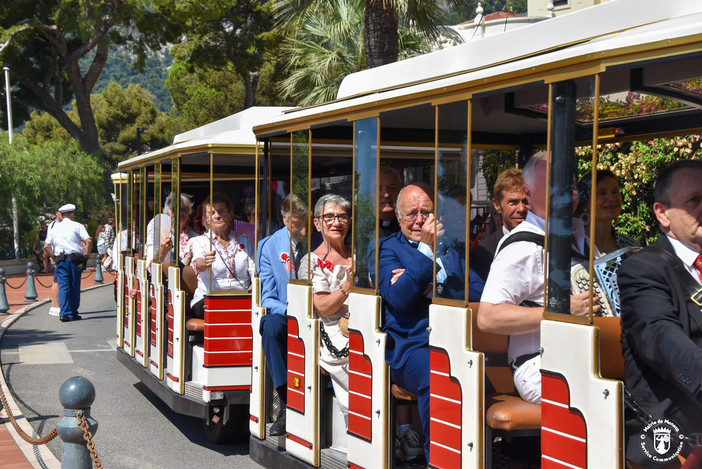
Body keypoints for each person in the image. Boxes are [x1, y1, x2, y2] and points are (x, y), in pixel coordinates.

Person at [477, 152, 598, 405]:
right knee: (604, 400)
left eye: (571, 186)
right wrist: (560, 310)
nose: (566, 194)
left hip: (589, 357)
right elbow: (488, 317)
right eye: (553, 186)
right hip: (543, 365)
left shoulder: (581, 236)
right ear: (528, 192)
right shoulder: (522, 246)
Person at [377, 183, 484, 461]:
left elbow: (480, 291)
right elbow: (399, 298)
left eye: (427, 212)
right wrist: (425, 250)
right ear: (399, 218)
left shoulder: (451, 249)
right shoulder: (386, 250)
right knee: (434, 375)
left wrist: (431, 284)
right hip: (411, 348)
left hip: (457, 341)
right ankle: (439, 459)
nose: (421, 220)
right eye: (412, 213)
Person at [618, 160, 702, 467]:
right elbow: (661, 337)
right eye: (694, 201)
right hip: (672, 426)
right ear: (662, 213)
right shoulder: (642, 268)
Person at [299, 194, 353, 427]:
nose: (336, 222)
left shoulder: (357, 254)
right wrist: (347, 286)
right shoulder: (311, 262)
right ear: (317, 223)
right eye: (329, 216)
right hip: (333, 331)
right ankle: (356, 425)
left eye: (342, 216)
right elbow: (321, 306)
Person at [256, 193, 308, 437]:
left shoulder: (322, 239)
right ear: (286, 221)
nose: (305, 230)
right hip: (285, 311)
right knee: (270, 326)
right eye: (299, 224)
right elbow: (266, 297)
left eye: (309, 223)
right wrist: (288, 310)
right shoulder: (269, 245)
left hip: (319, 310)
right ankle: (287, 402)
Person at [189, 193, 255, 317]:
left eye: (221, 211)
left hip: (240, 299)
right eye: (212, 213)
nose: (217, 216)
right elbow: (198, 263)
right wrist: (204, 263)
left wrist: (252, 291)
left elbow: (254, 272)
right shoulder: (200, 241)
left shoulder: (244, 241)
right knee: (225, 311)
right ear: (207, 219)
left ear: (231, 214)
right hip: (208, 299)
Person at [471, 168, 530, 280]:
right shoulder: (485, 251)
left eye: (526, 201)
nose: (521, 208)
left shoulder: (547, 243)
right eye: (513, 202)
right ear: (497, 205)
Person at [44, 204, 92, 322]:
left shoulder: (54, 228)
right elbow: (89, 240)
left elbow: (46, 246)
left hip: (61, 260)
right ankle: (73, 313)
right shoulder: (77, 226)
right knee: (75, 285)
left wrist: (53, 257)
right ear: (71, 214)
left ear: (61, 214)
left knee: (63, 286)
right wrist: (87, 255)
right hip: (75, 259)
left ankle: (63, 313)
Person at [576, 170, 640, 255]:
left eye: (615, 192)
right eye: (602, 193)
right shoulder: (573, 245)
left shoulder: (631, 246)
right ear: (584, 202)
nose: (611, 198)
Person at [376, 166, 402, 238]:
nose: (386, 195)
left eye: (391, 188)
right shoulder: (356, 230)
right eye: (378, 189)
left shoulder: (409, 227)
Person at [47, 211, 64, 317]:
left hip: (55, 255)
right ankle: (56, 306)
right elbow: (49, 243)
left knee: (55, 282)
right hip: (56, 255)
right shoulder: (54, 225)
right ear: (57, 213)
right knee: (57, 282)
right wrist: (52, 257)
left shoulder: (56, 225)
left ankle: (54, 305)